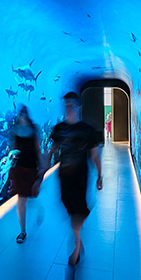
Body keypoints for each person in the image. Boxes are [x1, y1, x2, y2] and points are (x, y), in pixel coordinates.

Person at [48, 92, 102, 265]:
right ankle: (78, 235)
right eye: (65, 105)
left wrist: (100, 176)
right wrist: (41, 172)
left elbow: (94, 156)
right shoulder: (58, 129)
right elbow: (51, 150)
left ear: (79, 107)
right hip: (63, 178)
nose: (67, 108)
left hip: (80, 178)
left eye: (71, 105)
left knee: (77, 214)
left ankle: (77, 248)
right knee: (69, 210)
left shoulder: (87, 130)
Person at [9, 105, 43, 243]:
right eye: (20, 114)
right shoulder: (15, 129)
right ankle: (22, 231)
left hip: (31, 168)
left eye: (24, 114)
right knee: (21, 199)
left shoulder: (33, 129)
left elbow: (37, 148)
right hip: (20, 169)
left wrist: (41, 166)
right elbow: (13, 148)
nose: (22, 117)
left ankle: (39, 209)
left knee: (31, 197)